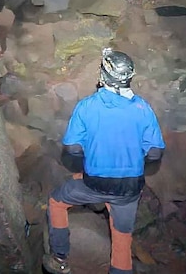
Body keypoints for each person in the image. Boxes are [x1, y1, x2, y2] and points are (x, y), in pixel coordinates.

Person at [44, 48, 166, 274]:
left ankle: (59, 258)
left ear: (102, 76)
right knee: (122, 239)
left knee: (56, 201)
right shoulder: (142, 109)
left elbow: (72, 148)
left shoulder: (87, 106)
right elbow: (155, 154)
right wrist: (133, 162)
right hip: (129, 189)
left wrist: (92, 159)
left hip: (96, 183)